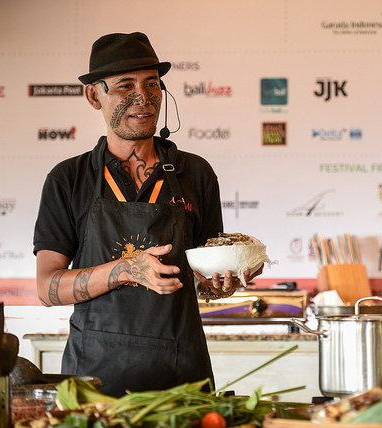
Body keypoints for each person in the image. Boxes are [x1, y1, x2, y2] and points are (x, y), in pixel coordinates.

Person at [32, 32, 261, 397]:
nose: (143, 98)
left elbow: (203, 282)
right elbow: (46, 288)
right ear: (94, 95)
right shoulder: (68, 179)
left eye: (152, 84)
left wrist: (222, 283)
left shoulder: (195, 174)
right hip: (95, 383)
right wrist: (126, 269)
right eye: (125, 86)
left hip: (180, 378)